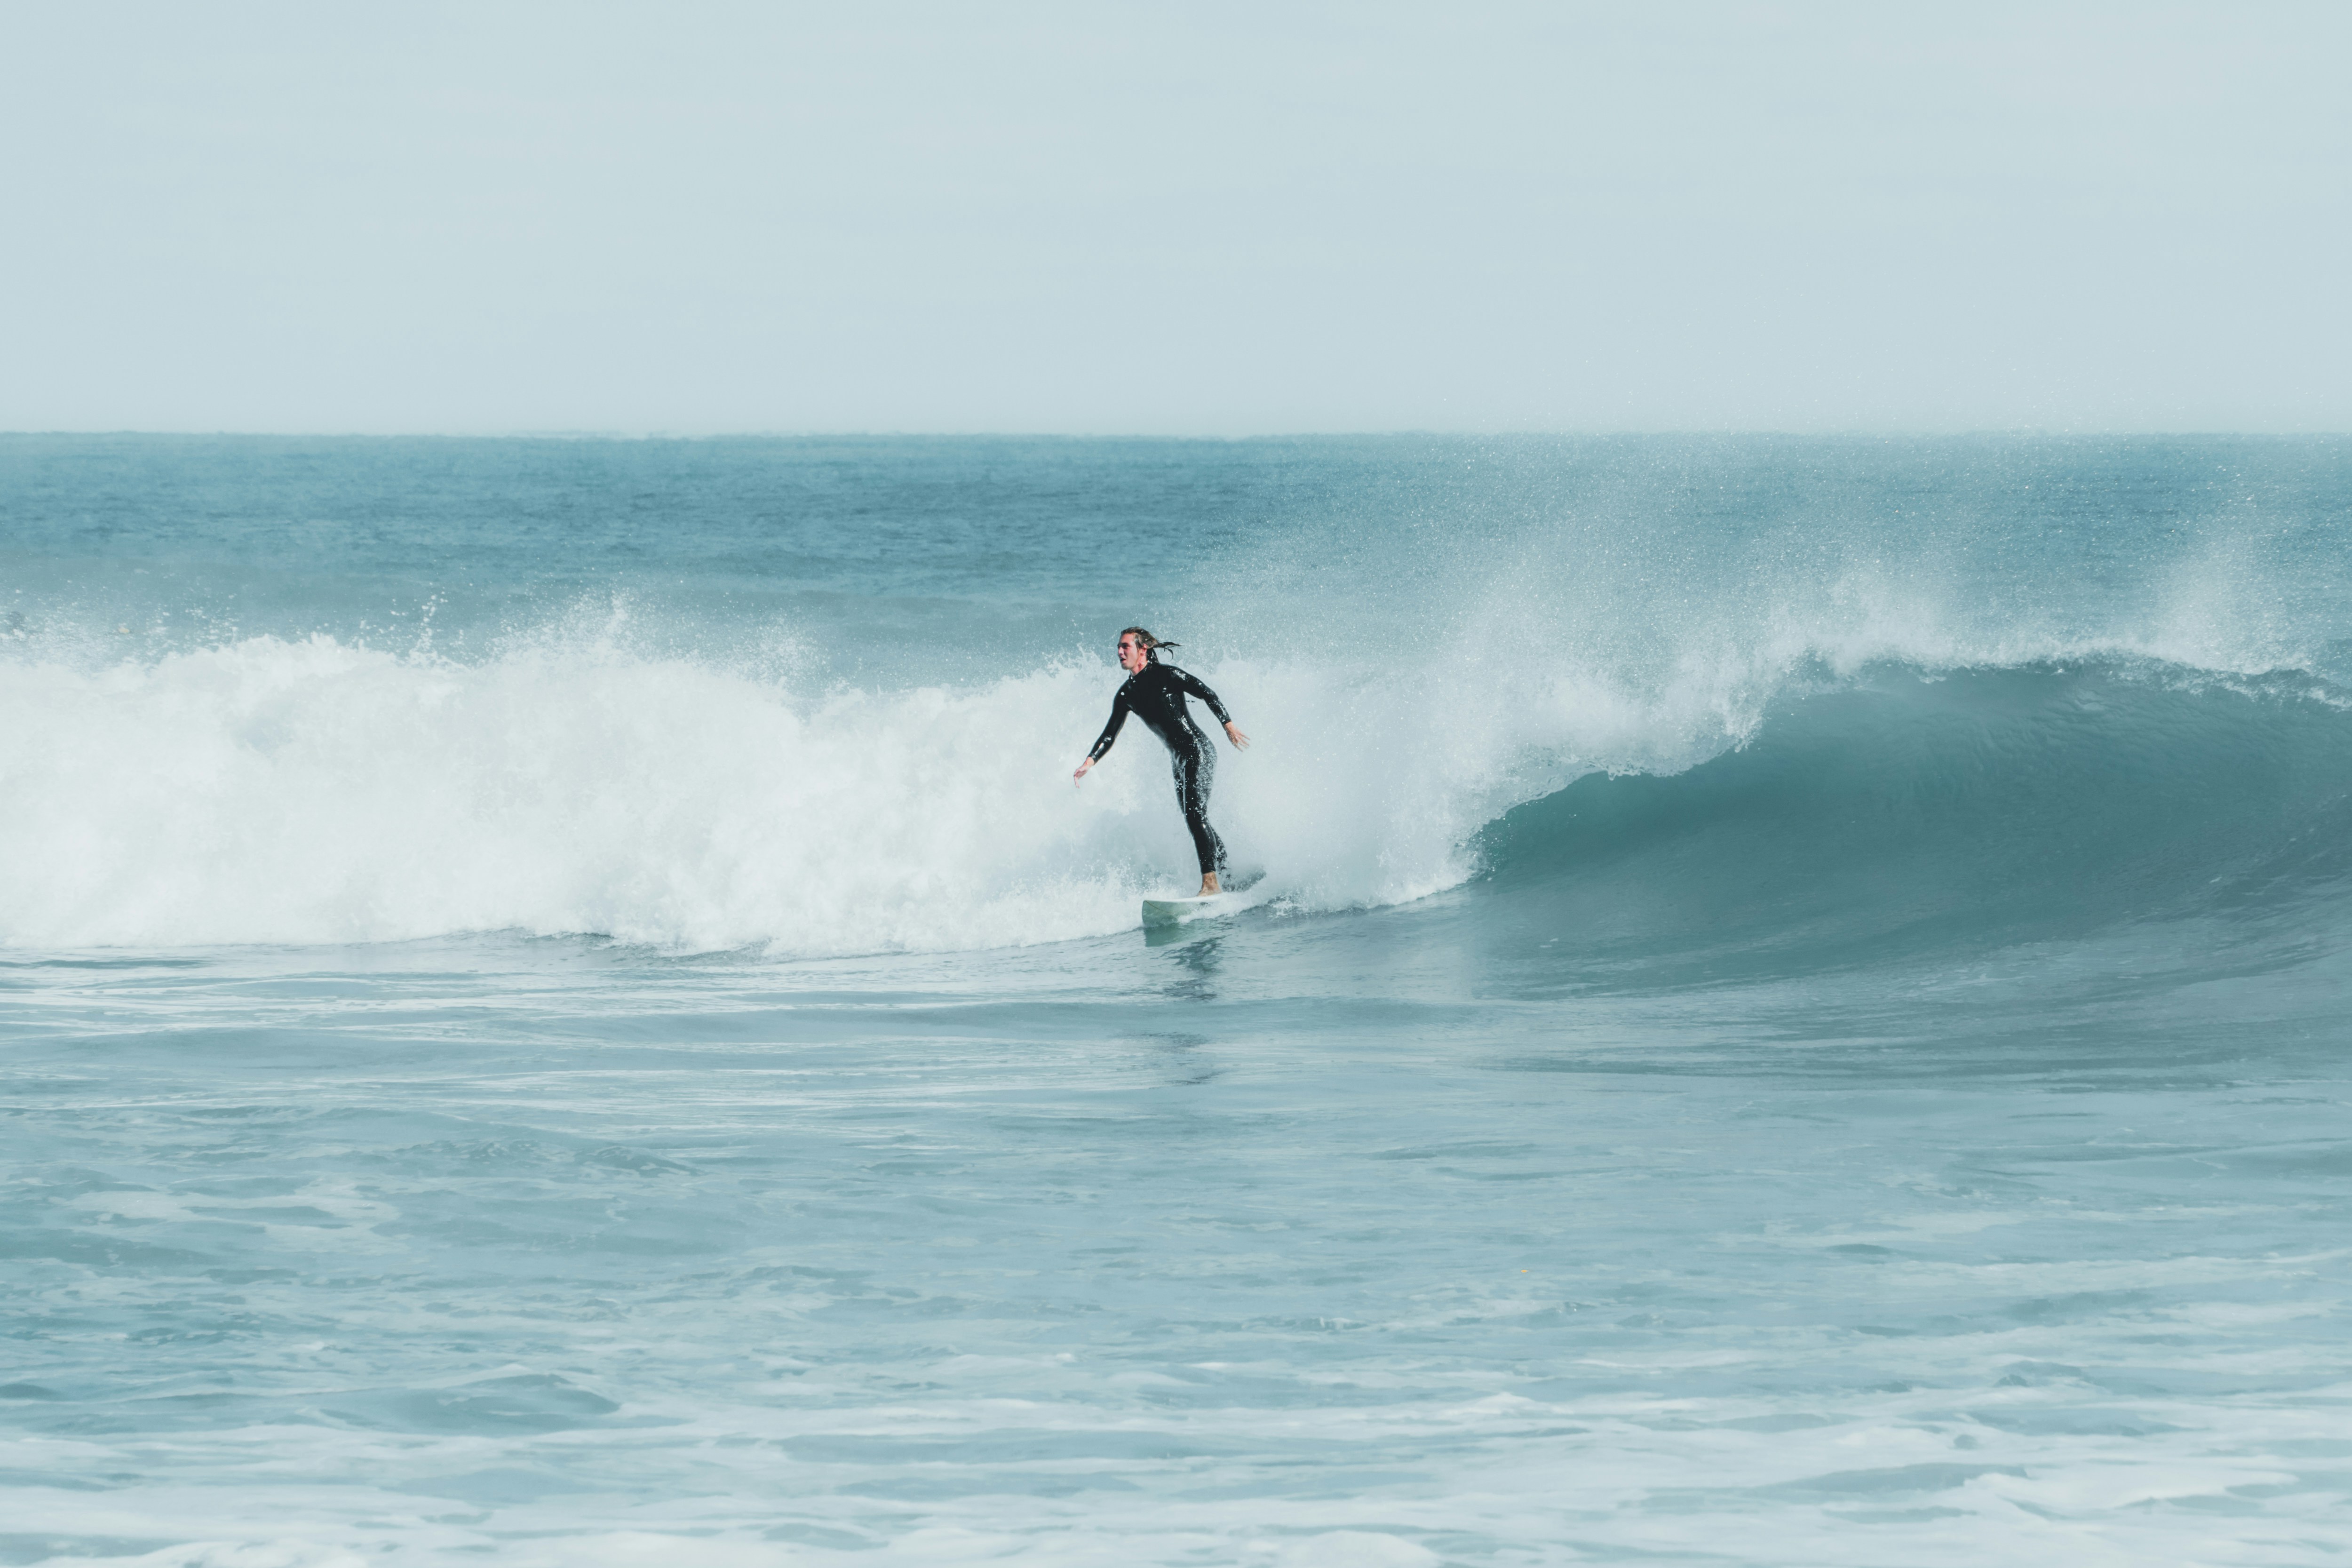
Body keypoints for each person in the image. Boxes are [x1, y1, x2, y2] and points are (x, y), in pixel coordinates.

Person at [1073, 627, 1250, 897]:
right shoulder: (1126, 695)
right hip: (1178, 761)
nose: (1120, 652)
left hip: (1198, 751)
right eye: (1119, 648)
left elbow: (1206, 692)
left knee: (1195, 814)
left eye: (1125, 647)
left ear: (1142, 650)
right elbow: (1110, 733)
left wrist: (1228, 724)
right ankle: (1227, 875)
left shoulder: (1168, 675)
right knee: (1196, 817)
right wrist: (1090, 761)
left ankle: (1211, 884)